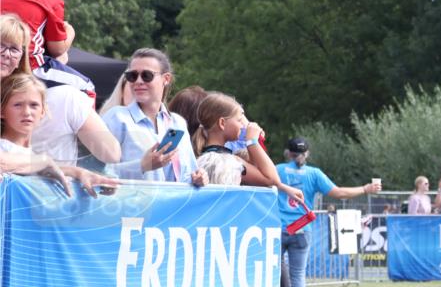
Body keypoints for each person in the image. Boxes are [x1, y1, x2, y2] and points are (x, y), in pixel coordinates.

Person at [278, 137, 382, 287]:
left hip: (278, 227)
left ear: (288, 153)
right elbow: (340, 193)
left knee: (271, 272)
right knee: (298, 275)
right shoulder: (314, 174)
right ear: (307, 154)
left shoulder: (278, 170)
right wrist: (365, 189)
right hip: (301, 229)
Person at [1, 14, 120, 167]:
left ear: (21, 58)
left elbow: (111, 153)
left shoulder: (62, 96)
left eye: (14, 49)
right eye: (0, 45)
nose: (6, 53)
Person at [0, 0, 95, 98]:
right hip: (31, 65)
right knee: (87, 87)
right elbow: (57, 48)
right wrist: (70, 32)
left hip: (6, 61)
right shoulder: (52, 1)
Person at [1, 73, 117, 197]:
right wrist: (46, 162)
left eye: (34, 105)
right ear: (2, 111)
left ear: (43, 112)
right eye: (17, 105)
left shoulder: (33, 157)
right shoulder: (5, 149)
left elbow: (32, 167)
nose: (27, 112)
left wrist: (78, 173)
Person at [101, 48, 205, 185]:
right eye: (132, 76)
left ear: (166, 79)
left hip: (176, 205)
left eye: (146, 75)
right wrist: (142, 166)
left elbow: (189, 173)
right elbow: (96, 171)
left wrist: (199, 178)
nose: (138, 81)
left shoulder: (177, 123)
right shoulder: (117, 118)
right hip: (134, 204)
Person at [193, 92, 281, 187]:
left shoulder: (203, 158)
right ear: (222, 123)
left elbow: (255, 167)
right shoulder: (229, 162)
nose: (242, 125)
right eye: (239, 120)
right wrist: (252, 142)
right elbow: (272, 180)